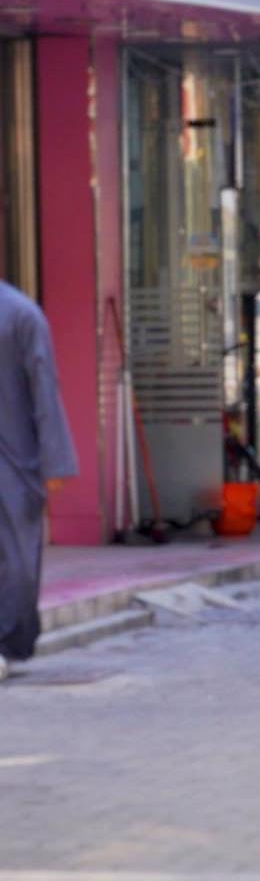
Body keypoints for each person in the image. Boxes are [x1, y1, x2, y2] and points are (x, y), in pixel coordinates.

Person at [0, 284, 77, 680]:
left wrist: (54, 462)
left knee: (17, 558)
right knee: (18, 556)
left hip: (15, 458)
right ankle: (9, 643)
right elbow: (45, 387)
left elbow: (43, 387)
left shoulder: (21, 315)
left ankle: (8, 642)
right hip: (17, 461)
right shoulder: (23, 313)